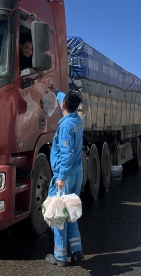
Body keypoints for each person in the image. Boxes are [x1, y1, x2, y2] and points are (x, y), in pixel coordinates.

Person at [45, 87, 85, 267]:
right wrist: (55, 90)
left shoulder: (66, 126)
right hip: (76, 173)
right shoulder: (77, 119)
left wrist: (61, 177)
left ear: (63, 105)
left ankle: (60, 257)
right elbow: (66, 99)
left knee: (59, 215)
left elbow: (66, 153)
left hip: (65, 176)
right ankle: (77, 251)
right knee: (71, 211)